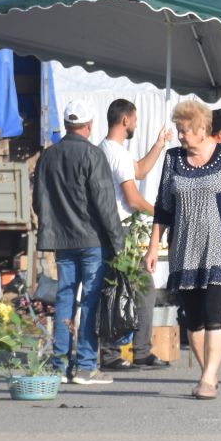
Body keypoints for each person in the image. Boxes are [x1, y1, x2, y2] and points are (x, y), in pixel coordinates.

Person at [143, 100, 221, 400]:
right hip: (184, 248)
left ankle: (209, 377)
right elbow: (163, 208)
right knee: (192, 318)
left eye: (184, 131)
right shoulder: (173, 160)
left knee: (213, 313)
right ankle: (207, 370)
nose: (180, 136)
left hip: (220, 246)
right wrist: (153, 247)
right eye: (179, 130)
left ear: (201, 129)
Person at [34, 99, 125, 385]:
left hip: (62, 240)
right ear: (89, 125)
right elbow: (104, 203)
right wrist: (118, 241)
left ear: (66, 124)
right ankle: (86, 366)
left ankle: (60, 366)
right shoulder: (92, 154)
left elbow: (39, 201)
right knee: (90, 300)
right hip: (92, 240)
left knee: (64, 298)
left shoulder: (48, 156)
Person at [98, 99, 174, 372]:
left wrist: (159, 144)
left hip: (115, 230)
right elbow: (132, 199)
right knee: (137, 289)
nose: (137, 125)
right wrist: (162, 213)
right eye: (135, 119)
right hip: (122, 230)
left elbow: (139, 170)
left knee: (124, 289)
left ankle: (128, 350)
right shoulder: (115, 154)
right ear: (125, 120)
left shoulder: (108, 150)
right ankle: (125, 352)